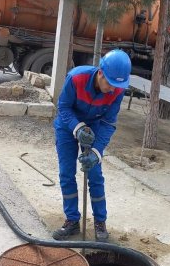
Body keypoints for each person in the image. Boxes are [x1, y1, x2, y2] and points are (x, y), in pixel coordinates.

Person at [53, 49, 131, 241]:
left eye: (116, 86)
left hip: (95, 125)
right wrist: (77, 128)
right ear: (100, 73)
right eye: (109, 84)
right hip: (67, 126)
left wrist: (96, 152)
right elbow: (63, 106)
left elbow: (108, 123)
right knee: (66, 173)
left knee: (95, 174)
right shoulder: (76, 78)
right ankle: (72, 221)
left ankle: (100, 222)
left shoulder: (118, 90)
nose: (112, 89)